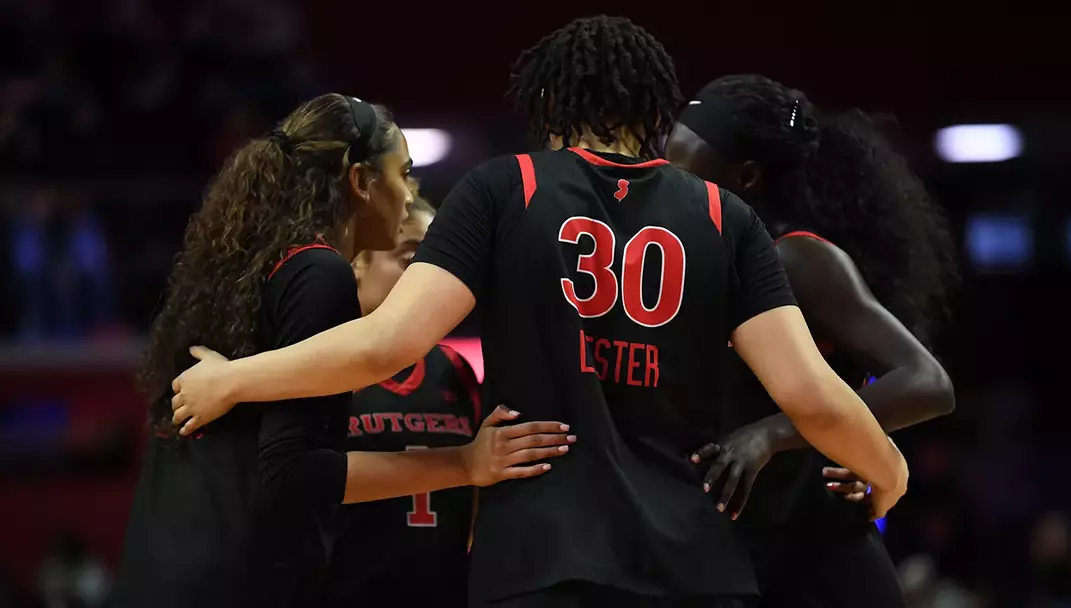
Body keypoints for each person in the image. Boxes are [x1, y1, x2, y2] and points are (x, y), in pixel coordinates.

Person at [168, 17, 909, 608]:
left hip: (539, 559)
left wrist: (234, 380)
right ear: (653, 110)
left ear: (549, 103)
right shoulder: (726, 215)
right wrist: (889, 468)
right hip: (696, 566)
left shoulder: (505, 188)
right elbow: (811, 394)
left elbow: (386, 345)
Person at [110, 94, 570, 608]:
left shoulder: (243, 268)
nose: (407, 193)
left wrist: (233, 378)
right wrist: (463, 463)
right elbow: (294, 476)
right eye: (403, 173)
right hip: (237, 580)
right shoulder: (318, 273)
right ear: (360, 182)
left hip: (166, 568)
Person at [666, 74, 957, 608]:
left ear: (745, 177)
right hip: (727, 552)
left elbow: (927, 382)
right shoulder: (686, 263)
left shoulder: (797, 259)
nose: (664, 185)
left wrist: (771, 434)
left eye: (683, 172)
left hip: (818, 556)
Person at [322, 192, 484, 607]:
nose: (428, 279)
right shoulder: (320, 365)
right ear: (358, 265)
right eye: (411, 259)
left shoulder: (455, 369)